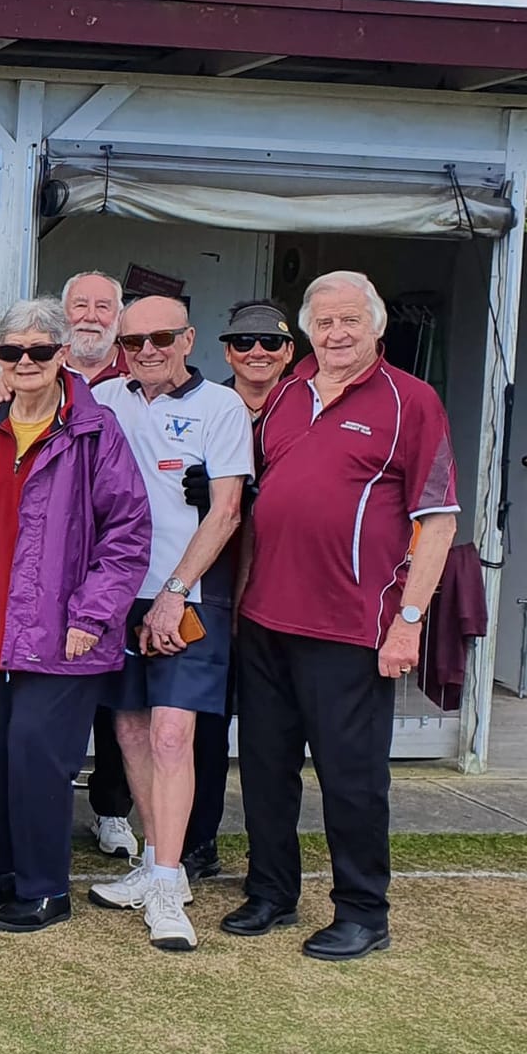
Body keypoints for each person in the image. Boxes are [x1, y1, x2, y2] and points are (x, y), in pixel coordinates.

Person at [222, 271, 457, 962]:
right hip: (266, 619)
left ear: (376, 326)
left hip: (351, 627)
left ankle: (362, 911)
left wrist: (409, 620)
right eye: (324, 322)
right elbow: (262, 502)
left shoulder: (411, 401)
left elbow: (439, 521)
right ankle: (271, 891)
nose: (337, 333)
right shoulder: (288, 393)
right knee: (265, 768)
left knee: (351, 777)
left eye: (350, 320)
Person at [0, 297, 149, 934]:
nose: (24, 361)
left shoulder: (95, 430)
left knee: (37, 754)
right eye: (11, 350)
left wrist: (93, 615)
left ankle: (46, 887)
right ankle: (7, 870)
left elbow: (128, 532)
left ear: (62, 355)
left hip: (63, 629)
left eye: (39, 350)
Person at [86, 295, 253, 951]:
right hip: (118, 595)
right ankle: (160, 864)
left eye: (161, 338)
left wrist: (176, 592)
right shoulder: (106, 401)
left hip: (187, 597)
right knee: (130, 731)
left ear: (188, 339)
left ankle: (165, 886)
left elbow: (227, 512)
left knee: (172, 734)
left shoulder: (221, 407)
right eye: (133, 342)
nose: (147, 351)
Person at [178, 299, 296, 879]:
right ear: (226, 352)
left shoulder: (305, 408)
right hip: (214, 581)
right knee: (204, 721)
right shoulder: (209, 406)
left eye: (269, 342)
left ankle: (269, 860)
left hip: (282, 584)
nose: (257, 352)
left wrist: (250, 493)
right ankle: (197, 841)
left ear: (288, 351)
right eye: (244, 342)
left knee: (272, 733)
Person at [54, 270, 142, 863]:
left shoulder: (139, 381)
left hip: (116, 567)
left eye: (102, 306)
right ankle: (46, 804)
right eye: (79, 305)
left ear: (119, 317)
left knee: (116, 701)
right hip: (47, 570)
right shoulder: (35, 372)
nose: (90, 316)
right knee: (51, 700)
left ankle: (112, 810)